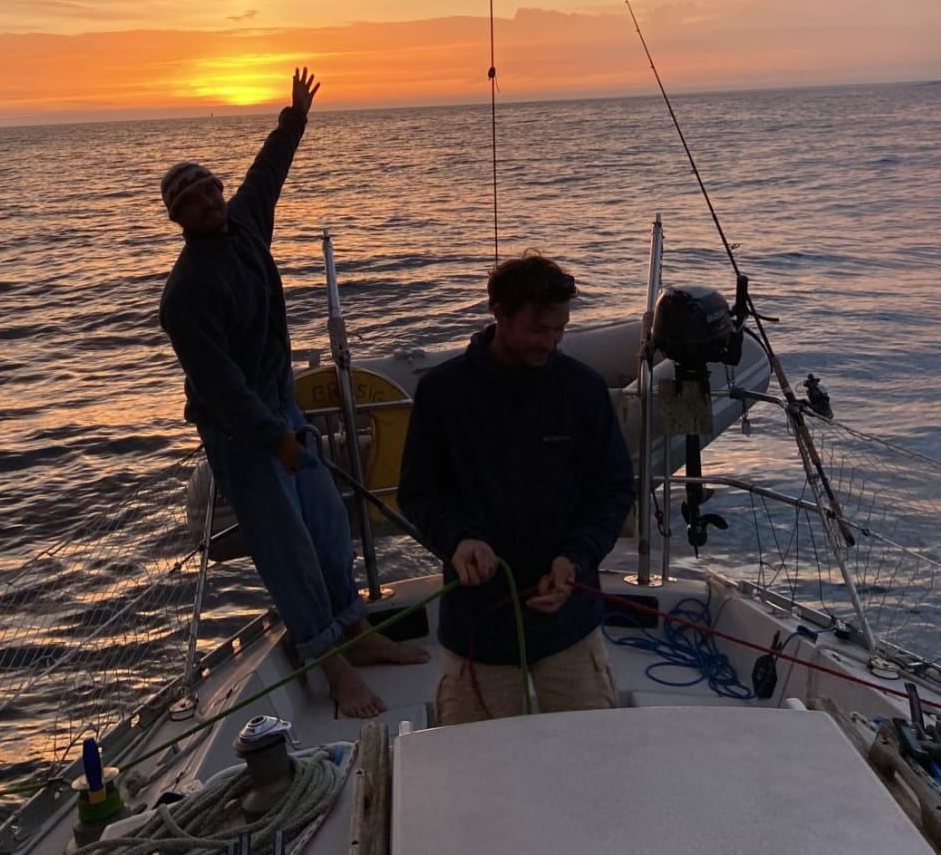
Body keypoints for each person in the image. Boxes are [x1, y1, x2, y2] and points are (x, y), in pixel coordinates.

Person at [159, 67, 427, 718]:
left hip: (284, 409)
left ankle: (357, 634)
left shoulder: (246, 224)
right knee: (288, 551)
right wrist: (272, 438)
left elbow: (266, 174)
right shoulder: (185, 294)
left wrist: (294, 118)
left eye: (210, 188)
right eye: (192, 200)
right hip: (242, 432)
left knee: (330, 528)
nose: (209, 200)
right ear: (178, 218)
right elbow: (220, 386)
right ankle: (330, 666)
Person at [397, 252, 635, 725]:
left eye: (560, 329)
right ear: (499, 313)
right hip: (477, 633)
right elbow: (419, 494)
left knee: (593, 759)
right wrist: (458, 539)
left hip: (570, 625)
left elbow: (612, 490)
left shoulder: (582, 389)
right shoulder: (442, 393)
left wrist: (577, 558)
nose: (550, 341)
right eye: (538, 329)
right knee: (476, 776)